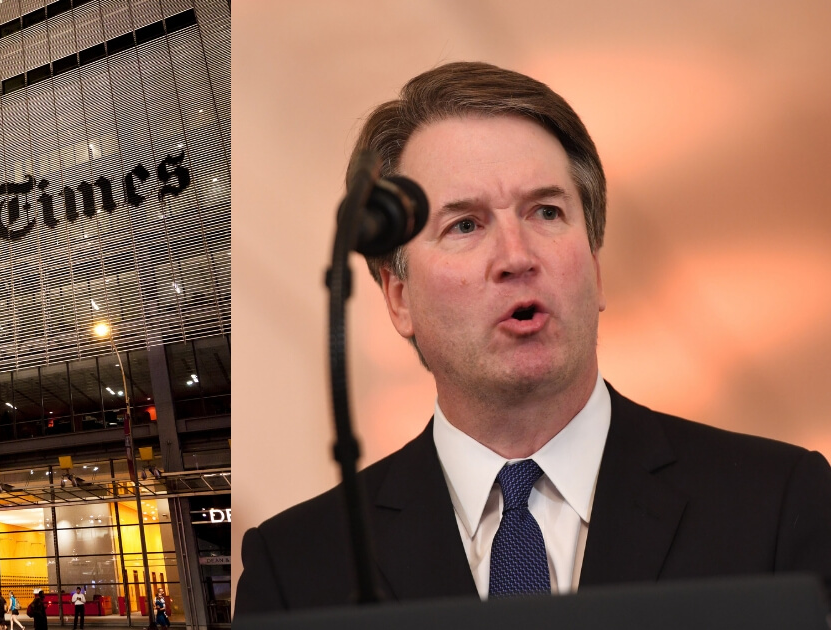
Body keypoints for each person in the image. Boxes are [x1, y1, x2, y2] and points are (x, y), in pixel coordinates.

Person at [235, 61, 831, 615]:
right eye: (464, 224)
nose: (516, 257)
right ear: (398, 297)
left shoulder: (783, 503)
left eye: (546, 212)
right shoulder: (294, 568)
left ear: (594, 270)